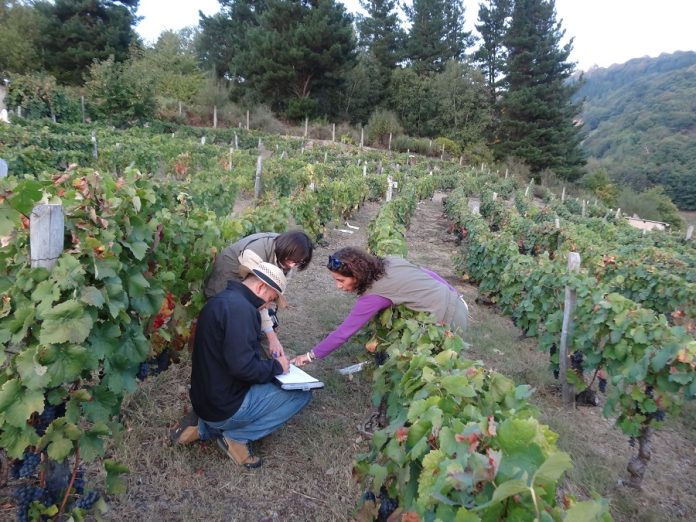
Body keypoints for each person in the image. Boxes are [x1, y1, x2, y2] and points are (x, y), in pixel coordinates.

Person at [172, 262, 312, 468]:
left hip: (203, 400)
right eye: (271, 299)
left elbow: (234, 359)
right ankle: (236, 437)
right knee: (302, 394)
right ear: (261, 287)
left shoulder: (221, 300)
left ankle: (202, 428)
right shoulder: (242, 311)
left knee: (267, 381)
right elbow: (244, 368)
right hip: (223, 407)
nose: (268, 306)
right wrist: (278, 367)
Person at [292, 247, 469, 367]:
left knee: (434, 368)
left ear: (356, 275)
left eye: (341, 280)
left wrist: (310, 356)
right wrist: (454, 293)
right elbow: (426, 273)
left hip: (447, 319)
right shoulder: (389, 262)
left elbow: (343, 333)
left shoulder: (374, 295)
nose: (338, 286)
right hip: (456, 301)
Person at [203, 231, 313, 358]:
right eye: (291, 260)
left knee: (262, 323)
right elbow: (256, 298)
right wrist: (271, 336)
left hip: (249, 289)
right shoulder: (255, 253)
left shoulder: (287, 263)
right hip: (226, 280)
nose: (292, 265)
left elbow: (270, 299)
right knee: (235, 327)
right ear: (285, 249)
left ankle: (270, 361)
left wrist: (270, 328)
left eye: (298, 263)